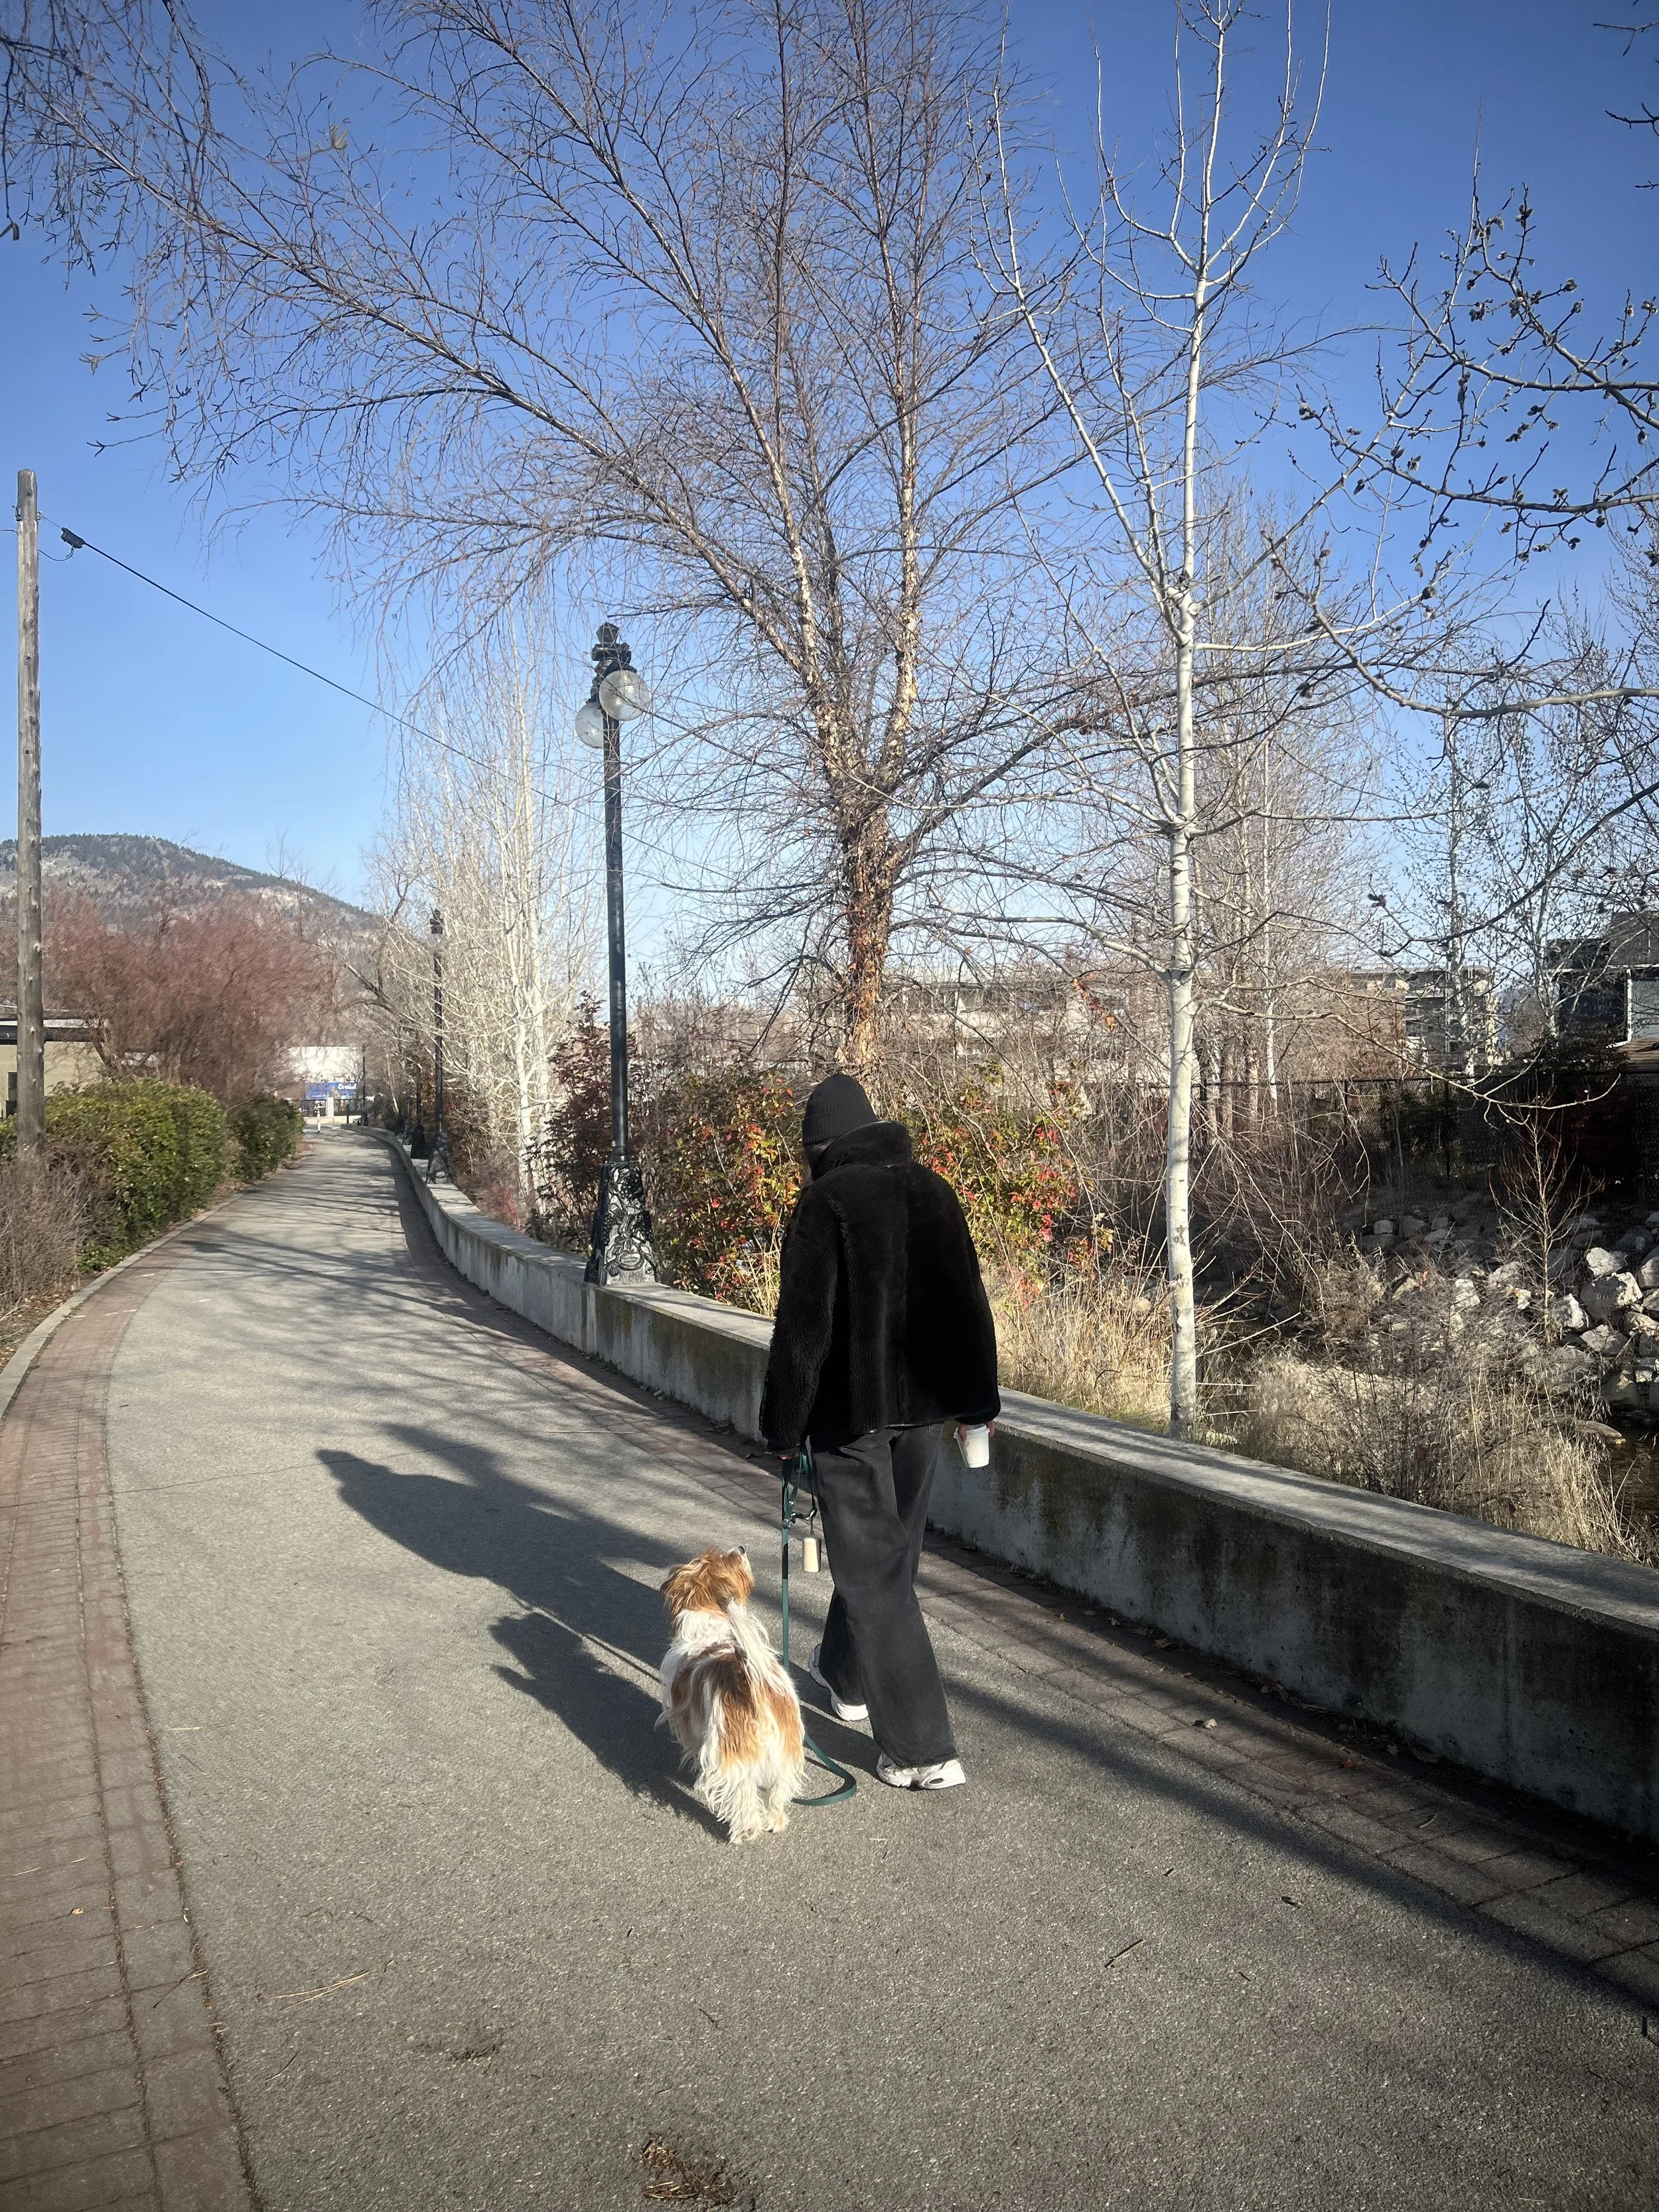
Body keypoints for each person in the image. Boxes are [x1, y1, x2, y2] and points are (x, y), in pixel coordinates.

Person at [760, 1072, 1000, 1791]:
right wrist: (977, 1404)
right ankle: (845, 1678)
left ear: (818, 1148)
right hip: (925, 1411)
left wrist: (781, 1424)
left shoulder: (824, 1202)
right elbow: (970, 1303)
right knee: (884, 1564)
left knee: (875, 1573)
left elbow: (803, 1332)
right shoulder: (934, 1189)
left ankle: (923, 1750)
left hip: (850, 1416)